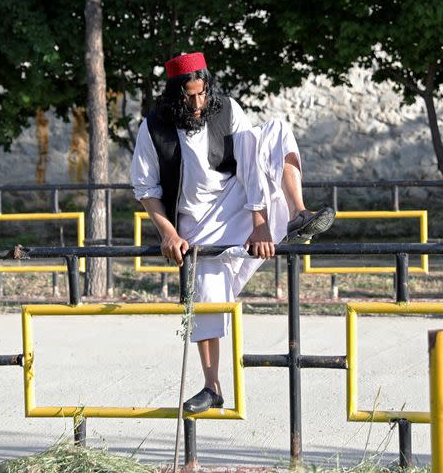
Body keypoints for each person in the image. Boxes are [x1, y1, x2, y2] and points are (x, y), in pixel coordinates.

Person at [130, 52, 334, 413]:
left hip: (239, 201)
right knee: (206, 296)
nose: (196, 103)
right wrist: (168, 233)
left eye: (201, 93)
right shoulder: (154, 126)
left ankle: (298, 215)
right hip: (194, 224)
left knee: (273, 130)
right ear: (174, 92)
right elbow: (147, 190)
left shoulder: (227, 109)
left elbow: (251, 162)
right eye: (188, 96)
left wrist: (259, 222)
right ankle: (212, 387)